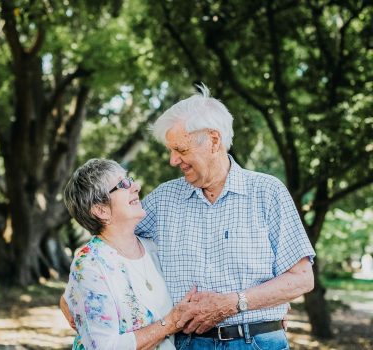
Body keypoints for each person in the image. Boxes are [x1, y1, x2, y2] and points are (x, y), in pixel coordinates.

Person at [62, 84, 315, 349]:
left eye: (181, 150)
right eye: (171, 150)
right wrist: (71, 294)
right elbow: (112, 242)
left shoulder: (267, 192)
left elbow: (302, 278)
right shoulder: (163, 199)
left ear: (214, 141)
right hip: (187, 344)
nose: (173, 160)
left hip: (257, 340)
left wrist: (236, 303)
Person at [61, 159, 194, 350]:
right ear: (101, 210)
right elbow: (104, 347)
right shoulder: (89, 264)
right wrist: (170, 324)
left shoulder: (154, 248)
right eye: (123, 184)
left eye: (129, 179)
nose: (136, 186)